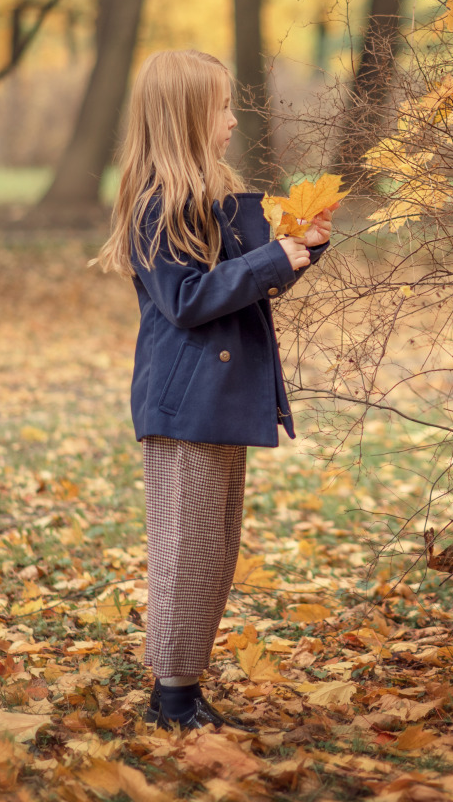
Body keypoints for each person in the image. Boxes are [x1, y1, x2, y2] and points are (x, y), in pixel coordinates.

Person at [95, 49, 334, 729]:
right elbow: (189, 298)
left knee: (214, 550)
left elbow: (252, 275)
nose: (232, 120)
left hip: (221, 399)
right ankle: (170, 698)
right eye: (222, 107)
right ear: (187, 116)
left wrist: (302, 243)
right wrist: (270, 259)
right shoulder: (157, 205)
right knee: (186, 550)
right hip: (185, 403)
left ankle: (185, 688)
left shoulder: (220, 200)